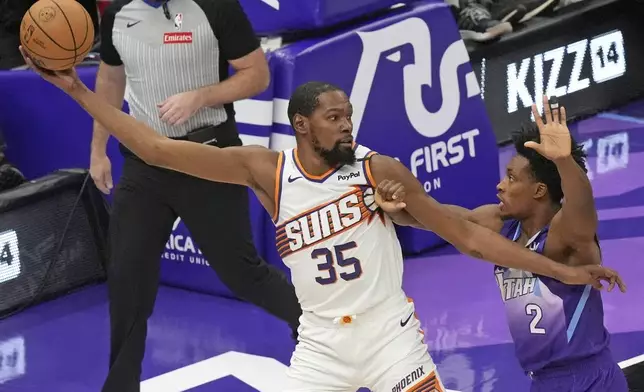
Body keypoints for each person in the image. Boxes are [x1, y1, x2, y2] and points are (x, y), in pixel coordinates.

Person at [18, 59, 624, 391]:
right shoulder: (265, 170)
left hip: (392, 338)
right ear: (302, 124)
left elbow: (468, 238)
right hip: (321, 347)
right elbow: (155, 148)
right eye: (334, 117)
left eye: (350, 115)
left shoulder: (378, 169)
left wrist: (558, 270)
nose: (347, 124)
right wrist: (75, 89)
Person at [91, 0, 301, 390]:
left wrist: (201, 96)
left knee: (242, 274)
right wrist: (97, 150)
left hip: (209, 157)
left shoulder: (216, 6)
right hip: (144, 164)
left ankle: (313, 325)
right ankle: (120, 385)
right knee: (126, 276)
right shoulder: (117, 12)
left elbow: (257, 75)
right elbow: (110, 79)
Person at [377, 96, 628, 391]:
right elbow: (437, 218)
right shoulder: (498, 223)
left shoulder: (565, 235)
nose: (500, 185)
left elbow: (582, 206)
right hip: (545, 381)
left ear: (539, 190)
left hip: (589, 377)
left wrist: (564, 161)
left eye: (511, 178)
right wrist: (395, 207)